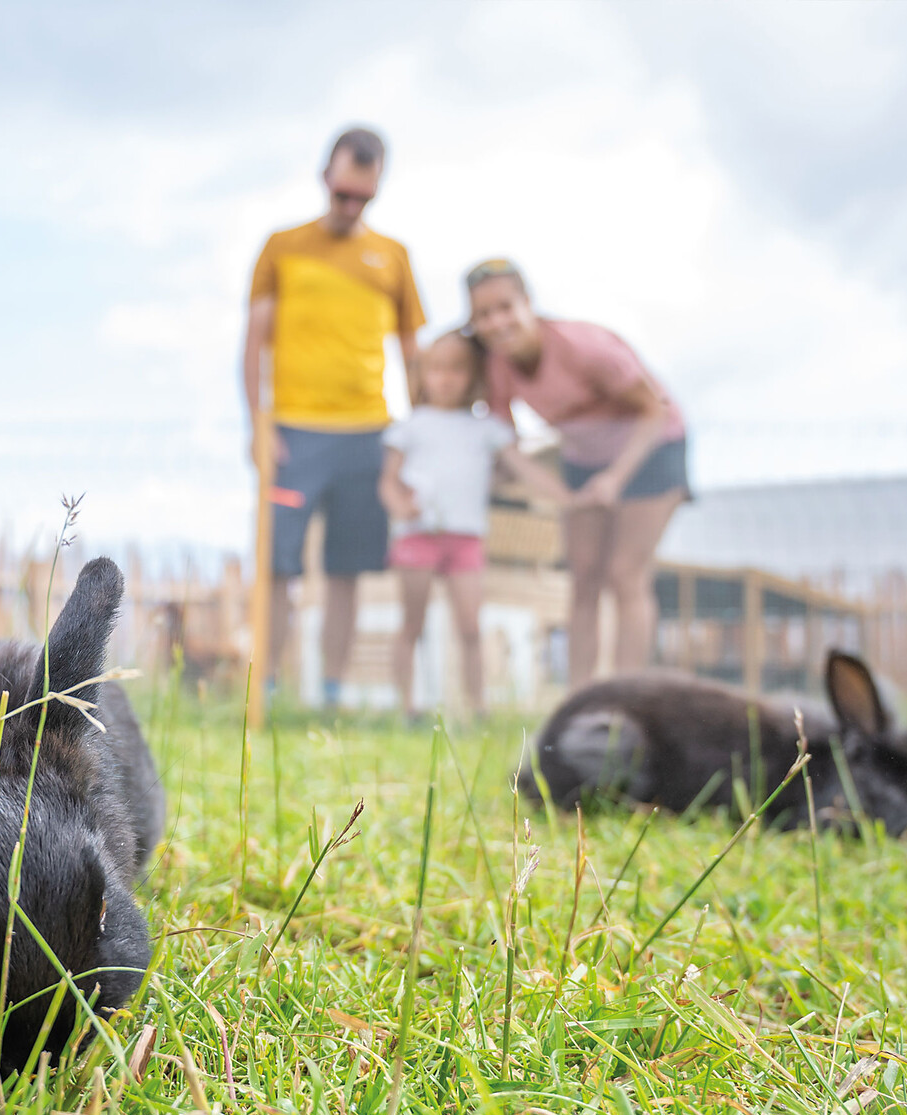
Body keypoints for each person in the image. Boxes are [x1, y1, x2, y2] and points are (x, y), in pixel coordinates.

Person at [242, 126, 426, 707]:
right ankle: (266, 686)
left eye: (363, 198)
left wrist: (417, 435)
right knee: (279, 565)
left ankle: (332, 691)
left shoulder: (393, 258)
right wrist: (259, 426)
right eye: (343, 192)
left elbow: (412, 352)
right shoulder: (282, 246)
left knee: (348, 568)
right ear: (326, 176)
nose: (351, 206)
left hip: (369, 434)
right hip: (294, 432)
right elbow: (254, 343)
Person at [465, 258, 689, 687]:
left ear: (528, 303)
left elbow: (652, 410)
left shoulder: (585, 347)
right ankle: (580, 698)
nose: (496, 322)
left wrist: (615, 479)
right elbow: (508, 447)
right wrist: (560, 495)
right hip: (584, 458)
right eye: (482, 314)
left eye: (504, 307)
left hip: (652, 445)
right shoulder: (498, 367)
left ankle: (626, 697)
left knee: (625, 571)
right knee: (583, 576)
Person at [380, 331, 571, 720]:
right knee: (411, 624)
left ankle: (477, 707)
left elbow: (522, 466)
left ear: (473, 376)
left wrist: (569, 499)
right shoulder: (410, 426)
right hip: (418, 536)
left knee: (470, 626)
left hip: (466, 538)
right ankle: (406, 708)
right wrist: (400, 505)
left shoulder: (486, 428)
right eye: (436, 369)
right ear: (423, 375)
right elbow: (388, 480)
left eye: (456, 369)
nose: (446, 379)